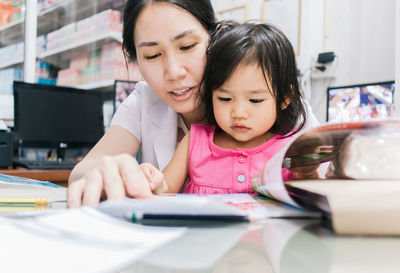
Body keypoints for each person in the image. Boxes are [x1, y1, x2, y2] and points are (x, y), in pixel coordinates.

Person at [67, 0, 319, 207]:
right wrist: (102, 169)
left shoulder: (274, 102)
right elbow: (83, 170)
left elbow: (326, 179)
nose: (174, 71)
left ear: (215, 38)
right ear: (136, 60)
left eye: (187, 46)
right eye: (152, 55)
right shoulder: (143, 100)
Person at [141, 22, 314, 195]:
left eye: (255, 100)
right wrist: (152, 179)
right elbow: (164, 190)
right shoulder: (194, 141)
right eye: (225, 98)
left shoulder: (291, 148)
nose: (238, 113)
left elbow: (315, 199)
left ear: (285, 98)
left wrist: (309, 172)